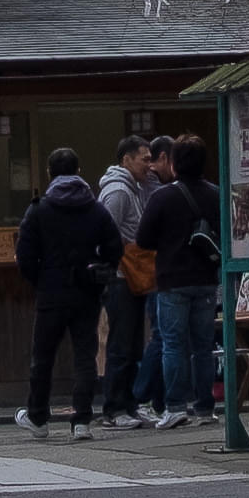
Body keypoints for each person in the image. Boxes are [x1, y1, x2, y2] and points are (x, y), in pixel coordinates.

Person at [12, 145, 119, 436]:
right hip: (87, 291)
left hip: (51, 292)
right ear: (79, 172)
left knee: (43, 355)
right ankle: (82, 420)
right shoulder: (95, 209)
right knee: (85, 355)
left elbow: (24, 254)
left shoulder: (39, 209)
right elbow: (115, 247)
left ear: (50, 172)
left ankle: (37, 417)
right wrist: (100, 269)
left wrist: (40, 279)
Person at [145, 136, 226, 427]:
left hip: (172, 279)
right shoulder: (216, 194)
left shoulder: (162, 197)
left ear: (174, 163)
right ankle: (205, 407)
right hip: (206, 279)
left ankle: (176, 406)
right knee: (203, 346)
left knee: (173, 344)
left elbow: (143, 238)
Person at [98, 136, 159, 426]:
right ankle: (115, 408)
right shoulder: (118, 191)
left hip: (131, 276)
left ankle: (130, 404)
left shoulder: (135, 188)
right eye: (144, 159)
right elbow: (105, 232)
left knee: (134, 344)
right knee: (121, 344)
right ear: (126, 160)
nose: (149, 165)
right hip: (121, 276)